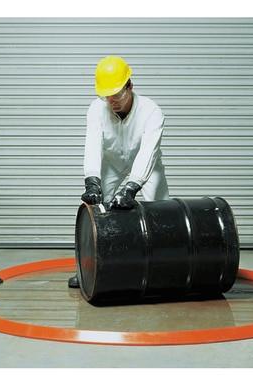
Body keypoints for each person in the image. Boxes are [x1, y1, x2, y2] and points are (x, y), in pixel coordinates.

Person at [68, 55, 169, 288]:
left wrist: (132, 186)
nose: (111, 101)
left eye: (117, 94)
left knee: (162, 212)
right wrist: (92, 180)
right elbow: (92, 144)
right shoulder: (96, 109)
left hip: (146, 166)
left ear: (130, 86)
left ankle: (163, 269)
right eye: (107, 96)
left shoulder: (152, 111)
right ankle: (87, 271)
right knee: (92, 211)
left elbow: (148, 152)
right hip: (112, 163)